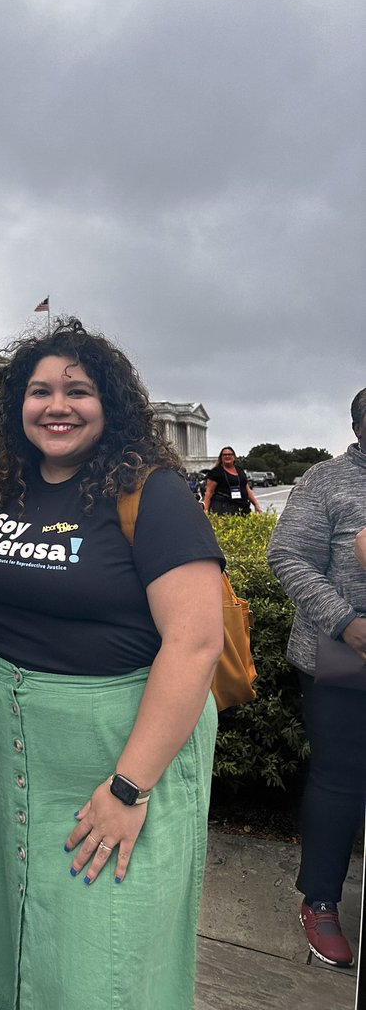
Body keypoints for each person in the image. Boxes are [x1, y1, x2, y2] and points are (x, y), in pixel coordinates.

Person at [0, 318, 224, 1010]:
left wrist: (129, 787)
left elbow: (195, 644)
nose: (57, 406)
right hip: (15, 751)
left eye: (77, 391)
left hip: (118, 747)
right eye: (39, 391)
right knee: (17, 934)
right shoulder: (3, 487)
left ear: (110, 404)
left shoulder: (153, 492)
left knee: (105, 953)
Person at [266, 387, 366, 969]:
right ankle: (321, 900)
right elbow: (287, 555)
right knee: (340, 779)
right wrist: (345, 621)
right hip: (342, 658)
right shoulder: (327, 481)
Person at [202, 446, 262, 515]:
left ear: (234, 457)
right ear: (221, 457)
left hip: (242, 507)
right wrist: (205, 510)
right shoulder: (216, 472)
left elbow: (247, 489)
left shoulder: (240, 470)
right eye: (224, 455)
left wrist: (256, 504)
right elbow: (209, 492)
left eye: (229, 454)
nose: (227, 456)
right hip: (223, 508)